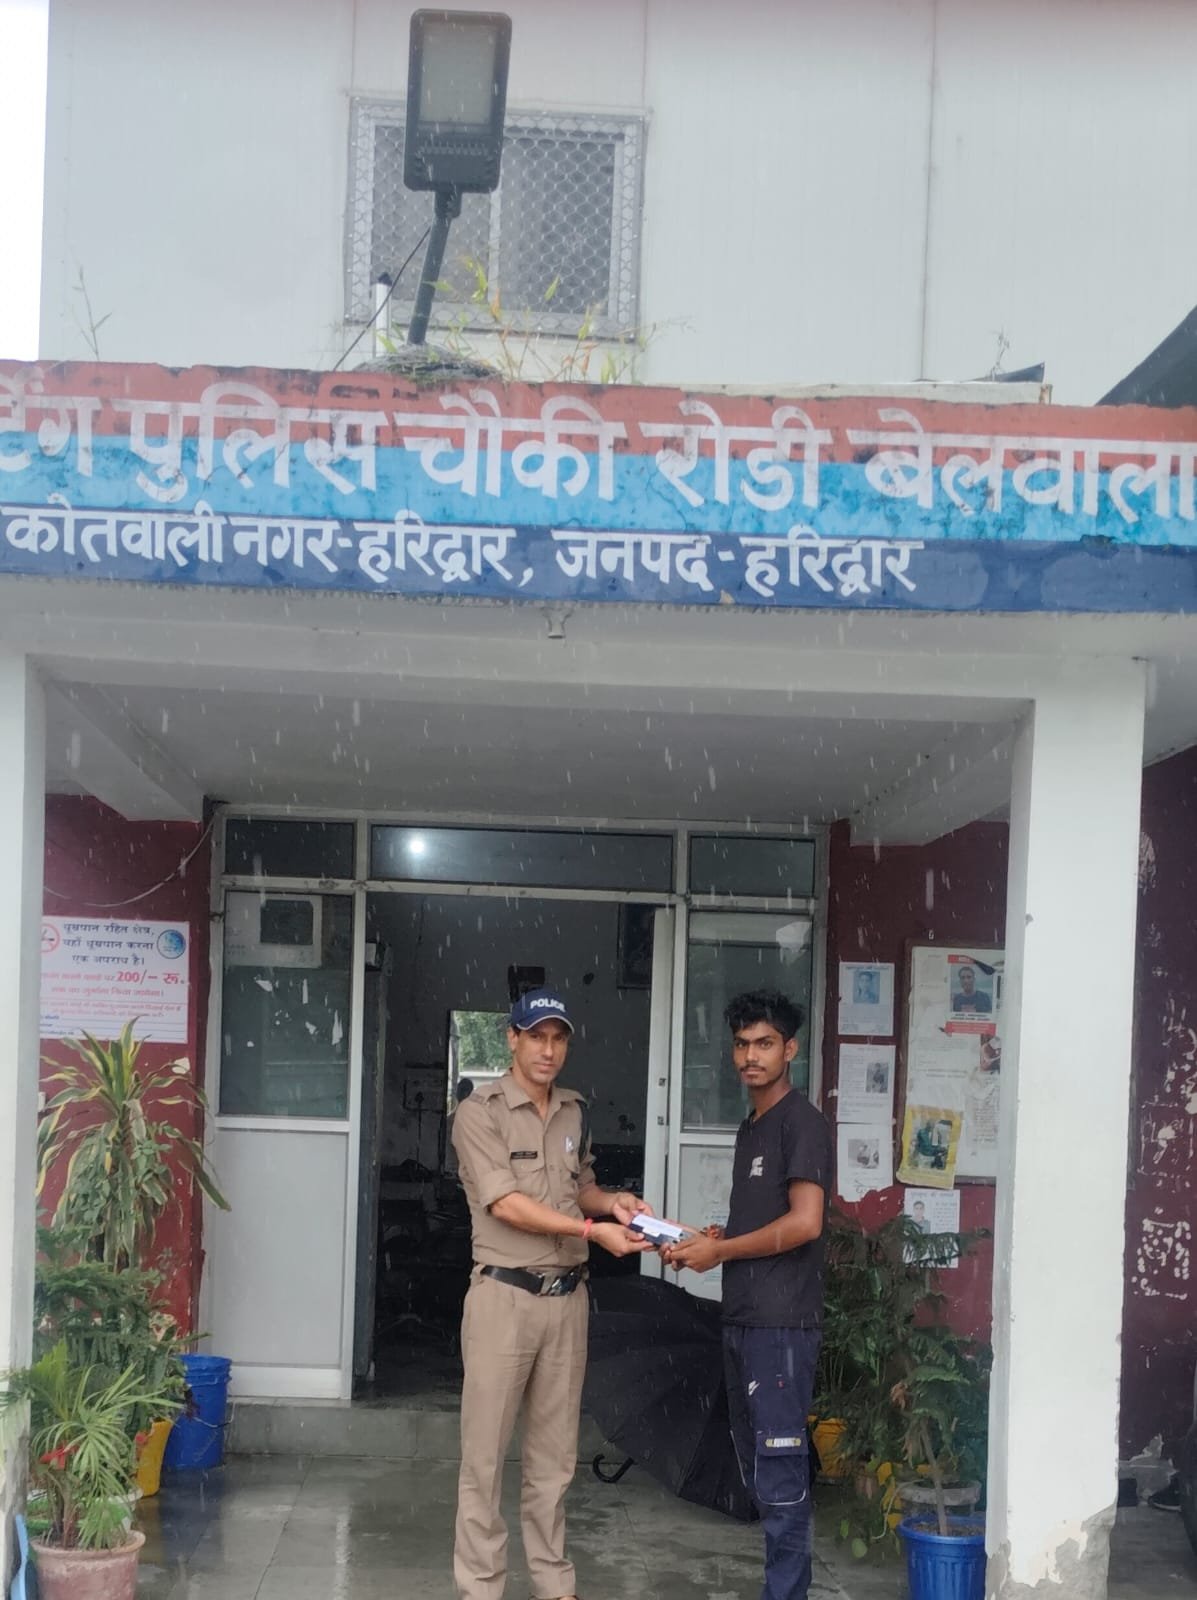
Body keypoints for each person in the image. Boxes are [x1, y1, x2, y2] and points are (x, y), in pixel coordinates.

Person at [450, 987, 653, 1600]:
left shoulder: (573, 1110)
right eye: (536, 1037)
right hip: (503, 1298)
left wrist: (612, 1203)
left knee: (554, 1459)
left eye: (558, 1038)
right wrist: (592, 1231)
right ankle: (481, 1587)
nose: (548, 1050)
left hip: (567, 1301)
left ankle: (554, 1583)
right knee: (485, 1458)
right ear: (511, 1039)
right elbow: (507, 1204)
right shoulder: (479, 1112)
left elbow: (579, 1186)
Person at [664, 988, 832, 1600]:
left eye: (764, 1043)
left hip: (781, 1326)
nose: (750, 1056)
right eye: (741, 1044)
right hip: (744, 1318)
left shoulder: (802, 1123)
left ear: (790, 1050)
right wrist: (715, 1239)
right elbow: (767, 1220)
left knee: (782, 1476)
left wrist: (724, 1252)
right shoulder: (752, 1127)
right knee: (760, 1470)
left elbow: (806, 1223)